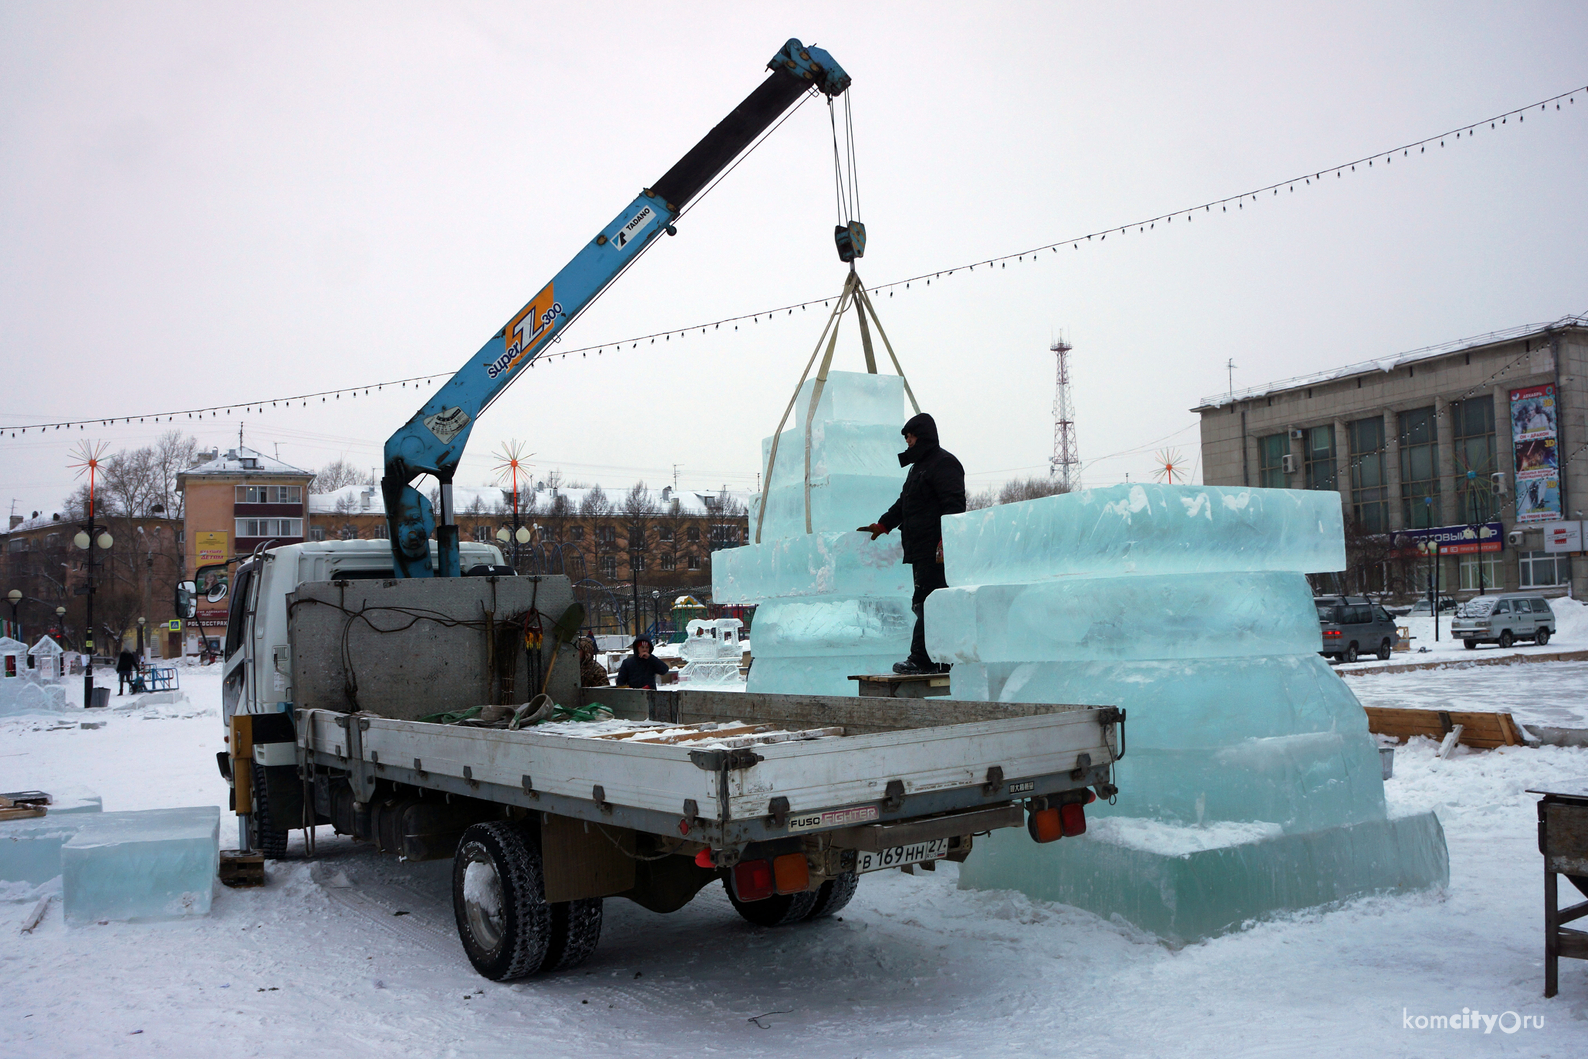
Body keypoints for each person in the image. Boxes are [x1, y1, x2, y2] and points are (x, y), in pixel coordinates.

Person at [858, 411, 966, 675]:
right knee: (924, 601)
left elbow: (954, 506)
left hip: (936, 549)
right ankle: (938, 659)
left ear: (922, 436)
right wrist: (883, 525)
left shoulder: (944, 463)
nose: (907, 442)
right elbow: (904, 504)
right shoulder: (920, 468)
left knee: (929, 602)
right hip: (920, 548)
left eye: (910, 436)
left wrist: (946, 540)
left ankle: (924, 659)